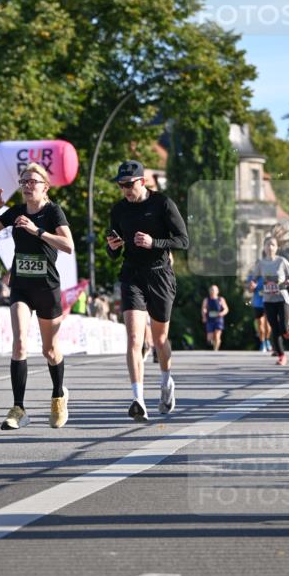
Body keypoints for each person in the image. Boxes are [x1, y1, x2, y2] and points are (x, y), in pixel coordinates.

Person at [0, 162, 74, 430]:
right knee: (19, 343)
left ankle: (58, 395)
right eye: (24, 182)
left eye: (33, 181)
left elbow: (68, 246)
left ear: (45, 187)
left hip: (47, 288)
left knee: (50, 350)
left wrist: (37, 231)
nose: (28, 186)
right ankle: (19, 408)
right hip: (21, 287)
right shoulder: (16, 212)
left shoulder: (53, 212)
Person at [106, 160, 188, 420]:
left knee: (160, 339)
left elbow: (183, 240)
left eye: (129, 184)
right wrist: (112, 246)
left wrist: (155, 242)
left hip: (160, 275)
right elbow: (110, 250)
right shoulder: (119, 210)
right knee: (134, 339)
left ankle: (166, 382)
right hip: (132, 275)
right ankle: (138, 399)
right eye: (121, 185)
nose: (125, 190)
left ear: (142, 181)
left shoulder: (163, 204)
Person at [249, 236, 289, 366]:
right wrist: (252, 284)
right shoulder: (260, 263)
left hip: (282, 298)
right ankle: (281, 355)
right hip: (268, 300)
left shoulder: (282, 261)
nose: (270, 247)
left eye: (273, 245)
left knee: (284, 328)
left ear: (276, 248)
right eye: (268, 245)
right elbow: (254, 279)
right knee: (275, 329)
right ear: (264, 247)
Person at [201, 284, 229, 350]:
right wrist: (204, 316)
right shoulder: (206, 300)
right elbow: (203, 308)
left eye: (214, 290)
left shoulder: (221, 299)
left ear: (217, 291)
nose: (212, 291)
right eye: (211, 289)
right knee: (209, 337)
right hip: (210, 319)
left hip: (218, 319)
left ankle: (216, 349)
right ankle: (211, 346)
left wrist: (222, 313)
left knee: (217, 335)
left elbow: (226, 309)